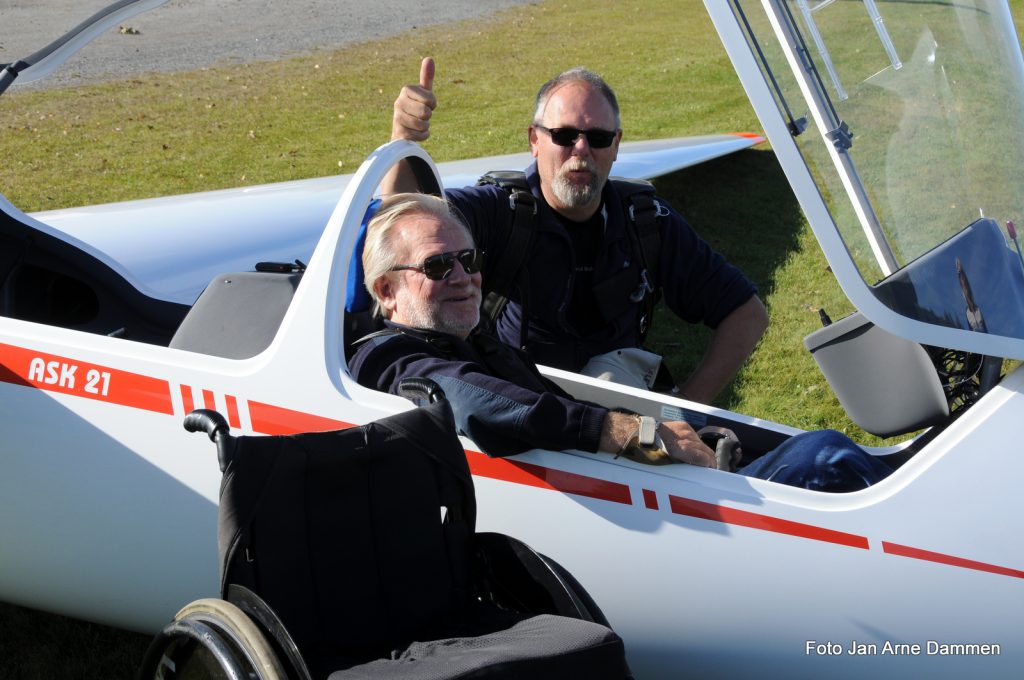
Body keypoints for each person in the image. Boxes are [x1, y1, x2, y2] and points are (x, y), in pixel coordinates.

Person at [349, 194, 892, 492]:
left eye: (468, 261)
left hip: (626, 486)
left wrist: (684, 432)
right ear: (387, 291)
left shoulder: (471, 341)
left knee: (829, 451)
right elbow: (470, 402)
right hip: (607, 510)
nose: (463, 277)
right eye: (438, 265)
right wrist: (638, 433)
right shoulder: (393, 358)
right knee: (828, 459)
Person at [382, 59, 769, 403]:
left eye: (598, 138)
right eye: (564, 136)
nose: (581, 150)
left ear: (616, 145)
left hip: (618, 403)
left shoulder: (648, 221)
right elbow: (405, 225)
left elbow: (747, 314)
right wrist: (402, 138)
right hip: (520, 403)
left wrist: (683, 408)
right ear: (535, 140)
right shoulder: (501, 210)